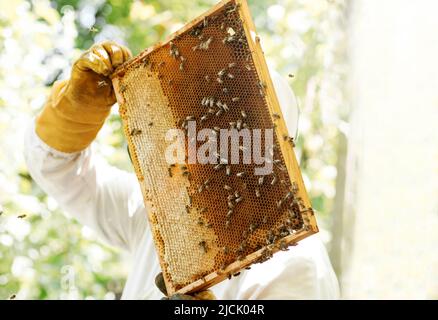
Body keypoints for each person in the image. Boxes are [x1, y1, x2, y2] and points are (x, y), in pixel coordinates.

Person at [24, 41, 340, 299]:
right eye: (194, 121)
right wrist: (75, 112)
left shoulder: (297, 266)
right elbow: (60, 172)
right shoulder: (163, 218)